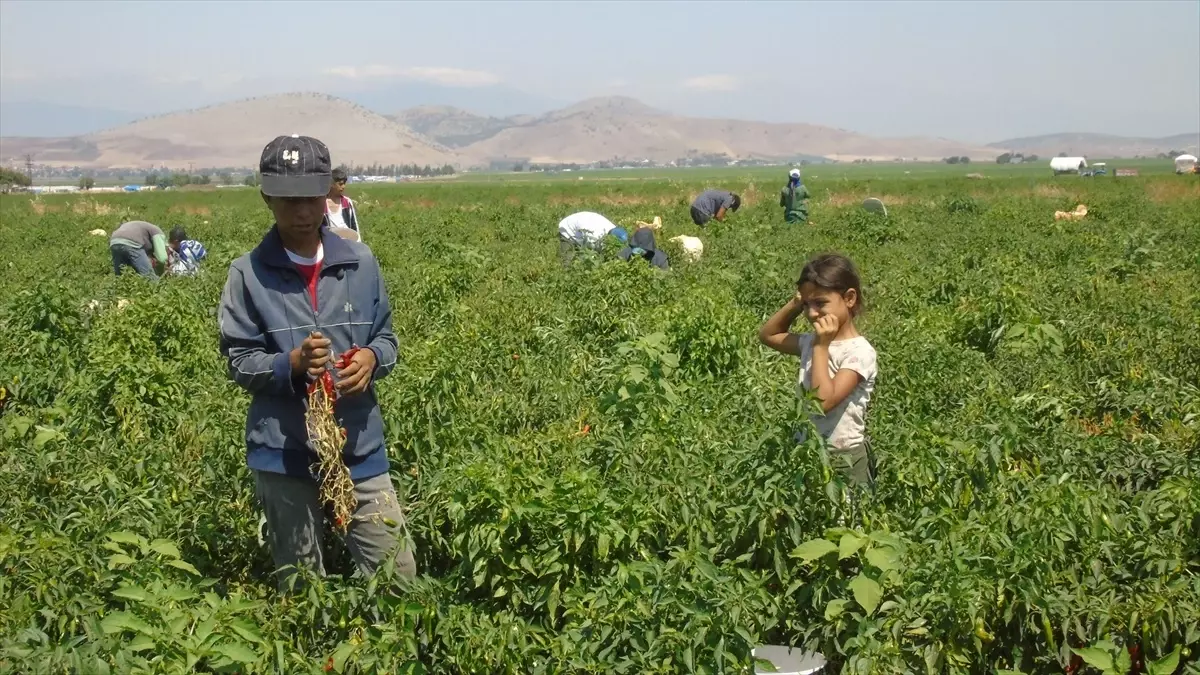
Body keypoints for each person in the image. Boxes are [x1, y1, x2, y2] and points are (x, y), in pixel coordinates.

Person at [218, 134, 416, 588]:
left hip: (358, 446)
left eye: (310, 196)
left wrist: (371, 357)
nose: (302, 212)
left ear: (327, 191)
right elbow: (239, 360)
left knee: (399, 576)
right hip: (284, 453)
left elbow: (387, 338)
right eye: (288, 200)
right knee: (302, 584)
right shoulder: (247, 274)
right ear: (266, 196)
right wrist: (290, 363)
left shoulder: (359, 262)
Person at [758, 253, 877, 488]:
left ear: (849, 298)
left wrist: (821, 347)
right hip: (806, 451)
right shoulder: (811, 341)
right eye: (806, 305)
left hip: (843, 459)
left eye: (820, 303)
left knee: (845, 522)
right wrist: (795, 303)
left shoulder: (859, 352)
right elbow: (768, 335)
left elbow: (821, 403)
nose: (812, 313)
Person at [557, 211, 628, 263]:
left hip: (581, 223)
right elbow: (591, 250)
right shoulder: (594, 234)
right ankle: (565, 274)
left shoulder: (612, 228)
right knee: (567, 257)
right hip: (568, 228)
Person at [325, 168, 362, 242]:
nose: (343, 186)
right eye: (340, 184)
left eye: (344, 183)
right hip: (331, 241)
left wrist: (358, 243)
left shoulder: (347, 202)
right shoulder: (323, 203)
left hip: (347, 241)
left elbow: (354, 224)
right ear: (332, 184)